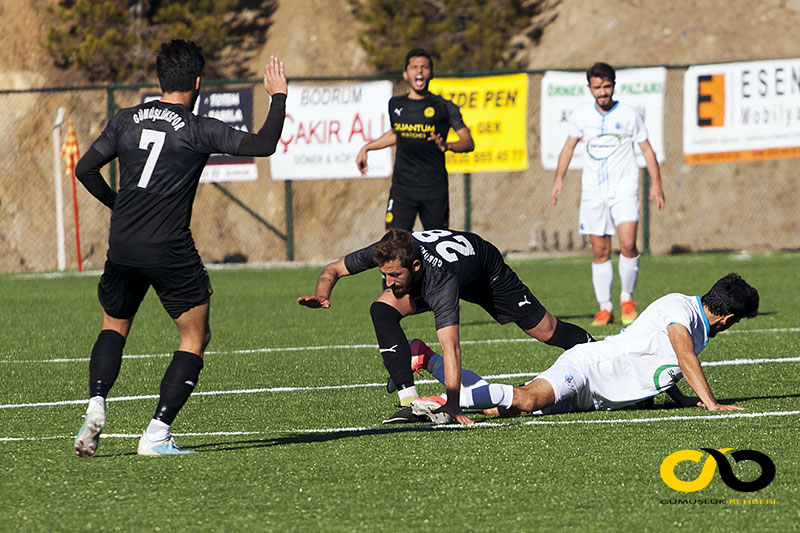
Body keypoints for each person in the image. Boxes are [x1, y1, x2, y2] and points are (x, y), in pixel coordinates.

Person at [72, 40, 287, 457]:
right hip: (169, 248)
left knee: (113, 326)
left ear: (158, 79)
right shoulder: (197, 127)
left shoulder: (125, 119)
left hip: (123, 244)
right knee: (195, 336)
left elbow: (85, 169)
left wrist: (119, 203)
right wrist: (277, 96)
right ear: (199, 81)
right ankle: (156, 434)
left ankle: (97, 400)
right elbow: (264, 144)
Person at [297, 228, 594, 425]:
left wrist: (453, 405)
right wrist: (322, 294)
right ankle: (408, 397)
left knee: (545, 331)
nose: (387, 281)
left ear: (414, 267)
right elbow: (334, 268)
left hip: (486, 271)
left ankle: (595, 348)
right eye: (383, 274)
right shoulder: (389, 252)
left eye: (394, 275)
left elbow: (451, 346)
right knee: (381, 309)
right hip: (438, 272)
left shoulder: (441, 283)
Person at [407, 273, 759, 423]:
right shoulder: (680, 310)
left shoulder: (696, 323)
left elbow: (666, 361)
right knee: (528, 398)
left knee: (501, 409)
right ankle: (443, 401)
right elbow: (683, 356)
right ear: (728, 317)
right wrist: (711, 404)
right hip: (588, 368)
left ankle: (428, 359)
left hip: (596, 396)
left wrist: (681, 399)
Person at [550, 62, 665, 327]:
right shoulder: (581, 116)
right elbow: (568, 148)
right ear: (589, 88)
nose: (602, 92)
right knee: (600, 251)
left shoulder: (629, 114)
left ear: (614, 85)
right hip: (593, 192)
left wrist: (656, 183)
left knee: (627, 245)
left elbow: (647, 150)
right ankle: (605, 307)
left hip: (624, 189)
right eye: (597, 87)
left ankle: (627, 300)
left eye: (607, 86)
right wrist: (558, 179)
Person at [356, 48, 474, 231]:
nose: (419, 71)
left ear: (431, 74)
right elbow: (397, 133)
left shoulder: (445, 107)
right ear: (405, 74)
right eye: (414, 67)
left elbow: (468, 142)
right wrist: (367, 148)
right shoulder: (396, 105)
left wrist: (447, 145)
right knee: (393, 244)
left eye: (425, 67)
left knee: (437, 245)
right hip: (403, 188)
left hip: (434, 189)